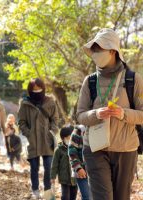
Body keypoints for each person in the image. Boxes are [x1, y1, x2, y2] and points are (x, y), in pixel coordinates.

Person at [76, 28, 143, 200]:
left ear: (113, 51)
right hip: (94, 148)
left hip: (125, 149)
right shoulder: (90, 81)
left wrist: (123, 114)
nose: (95, 54)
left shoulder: (133, 79)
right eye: (94, 50)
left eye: (99, 49)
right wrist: (96, 114)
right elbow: (80, 115)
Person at [18, 78, 59, 199]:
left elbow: (55, 119)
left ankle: (47, 191)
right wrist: (28, 133)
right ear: (30, 90)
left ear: (43, 88)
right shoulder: (25, 103)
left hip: (47, 141)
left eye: (39, 89)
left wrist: (52, 131)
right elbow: (21, 121)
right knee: (34, 167)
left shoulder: (50, 101)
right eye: (34, 89)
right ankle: (35, 190)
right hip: (33, 141)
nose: (37, 91)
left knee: (48, 167)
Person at [51, 126, 78, 200]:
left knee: (73, 196)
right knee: (65, 197)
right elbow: (54, 164)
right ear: (63, 138)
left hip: (74, 178)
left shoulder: (76, 148)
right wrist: (53, 176)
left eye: (71, 138)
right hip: (64, 178)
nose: (70, 140)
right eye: (68, 138)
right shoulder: (59, 150)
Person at [68, 125, 91, 200]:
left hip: (97, 171)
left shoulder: (101, 127)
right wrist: (78, 168)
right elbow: (72, 151)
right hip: (82, 171)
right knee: (86, 196)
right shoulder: (79, 130)